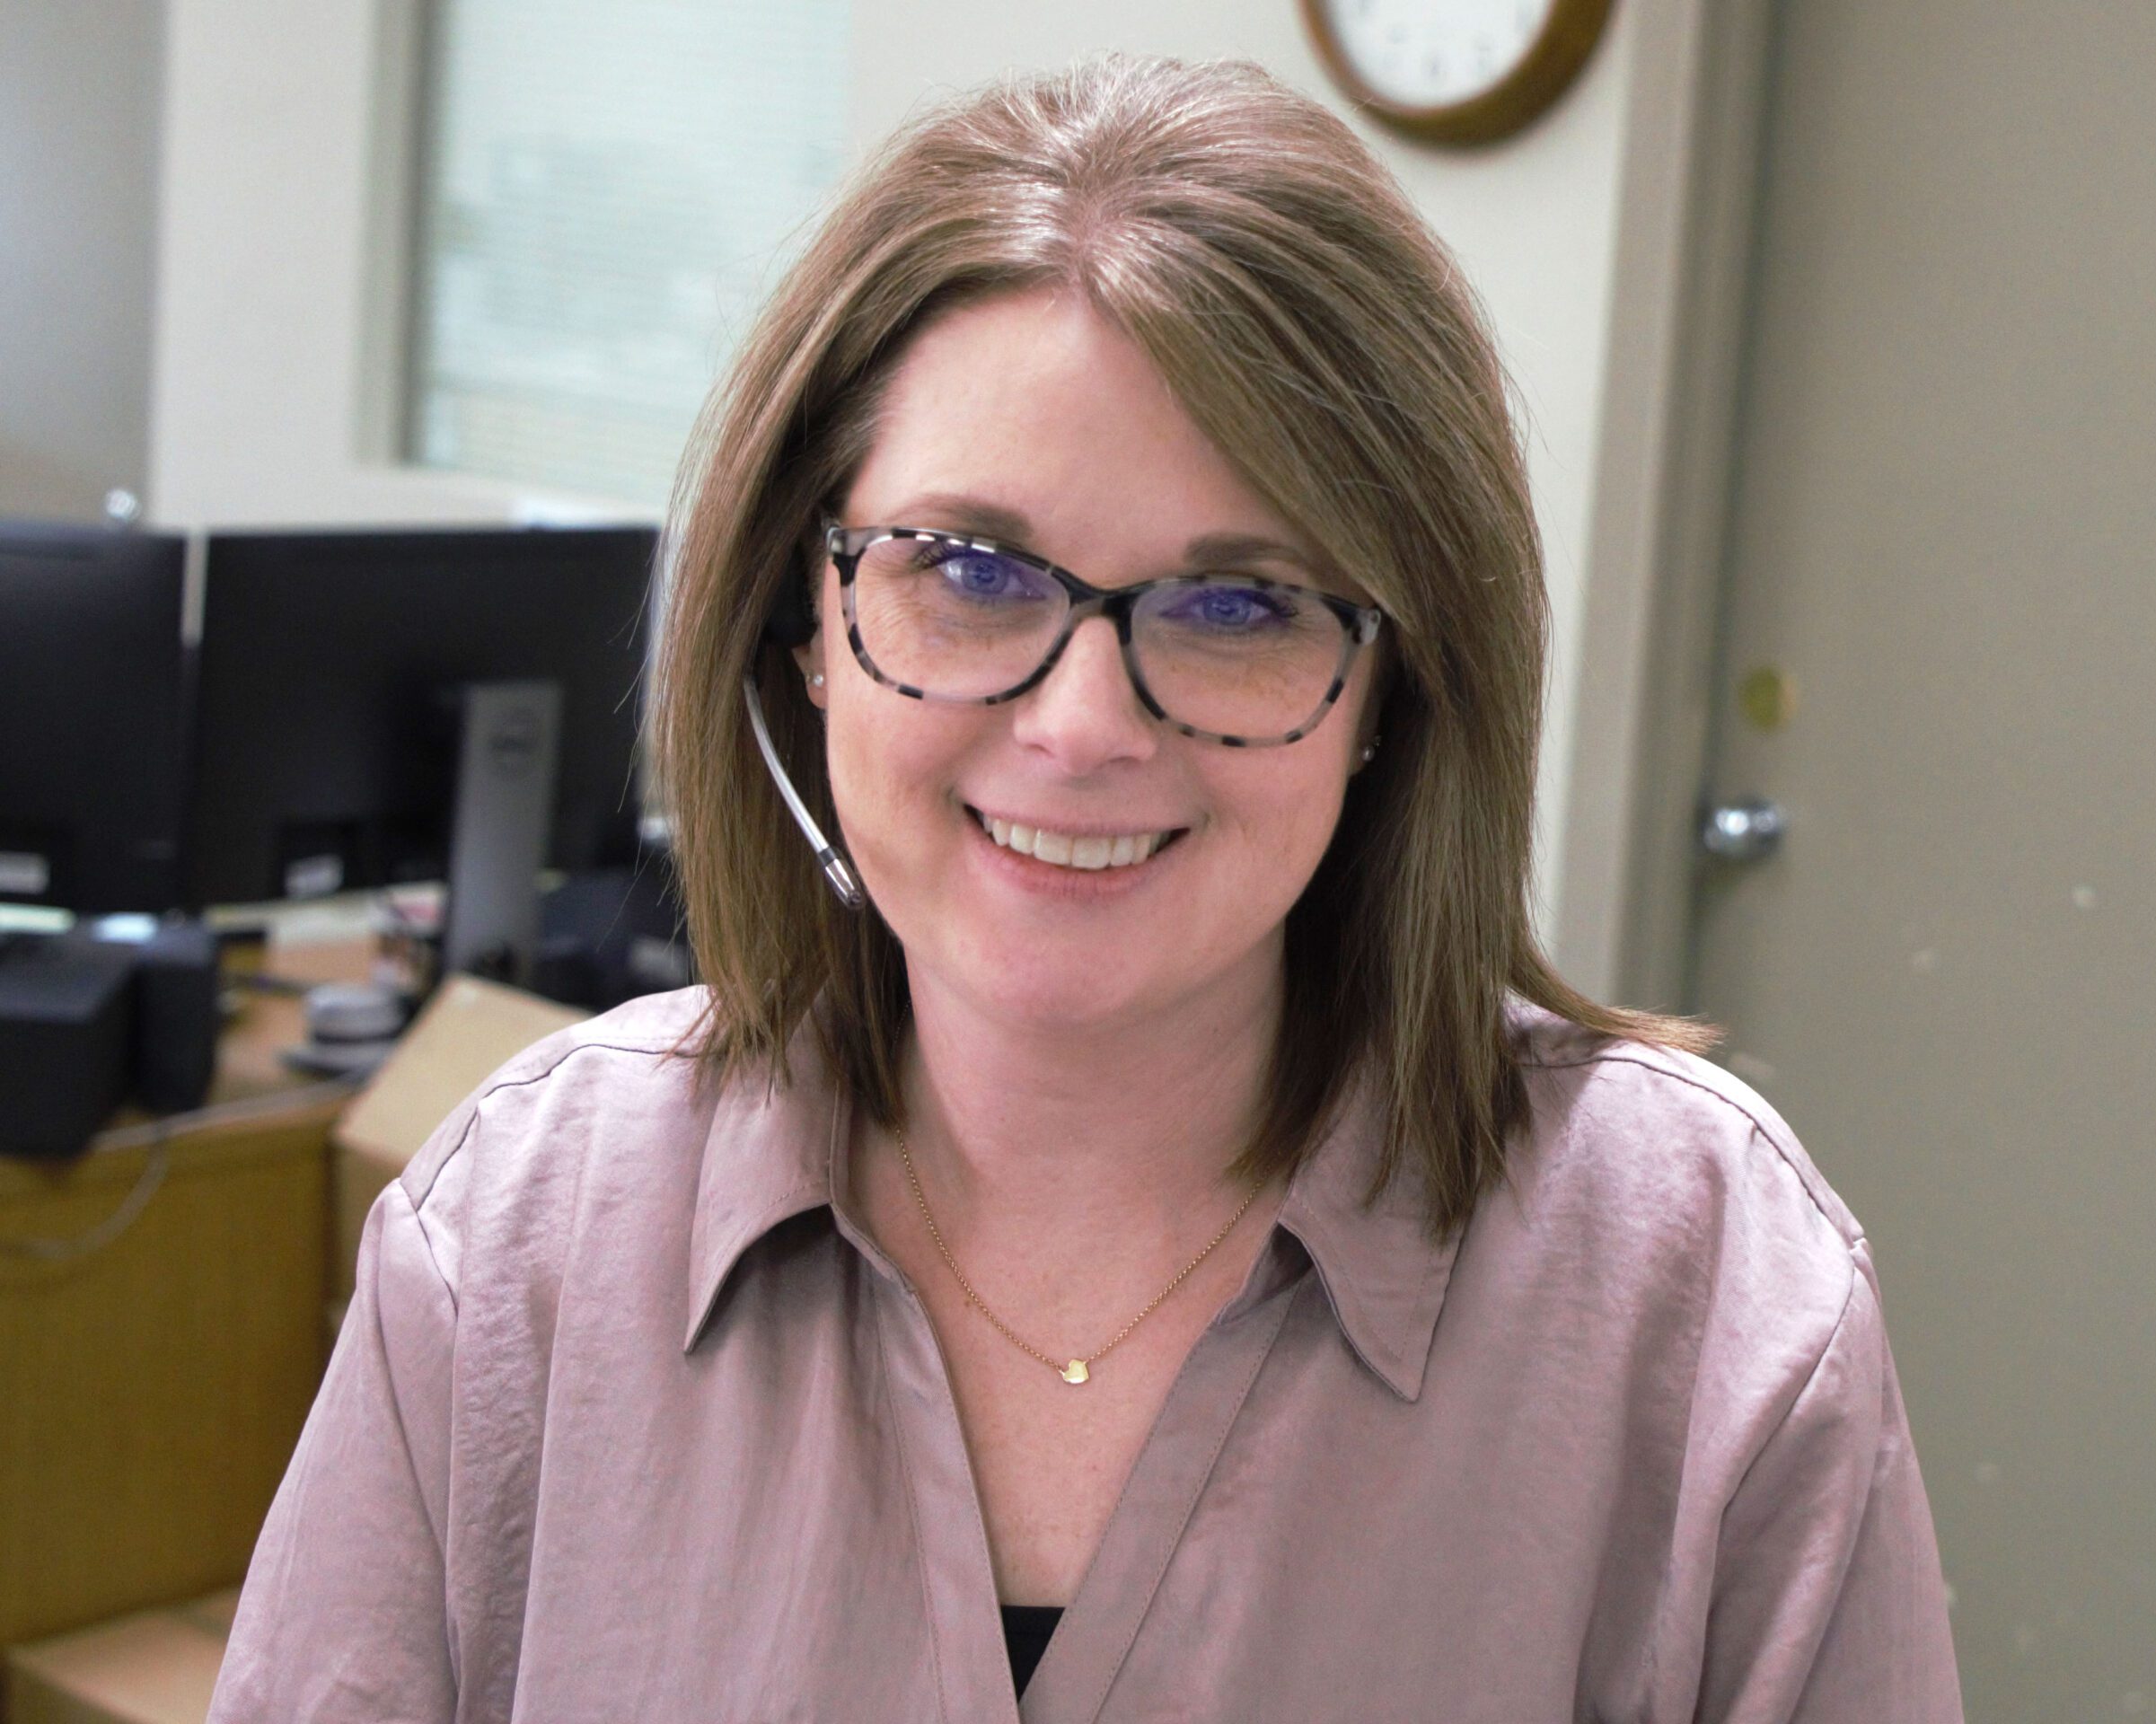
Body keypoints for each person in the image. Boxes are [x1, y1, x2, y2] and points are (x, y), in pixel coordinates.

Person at [209, 54, 1963, 1722]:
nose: (1077, 726)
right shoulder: (521, 1238)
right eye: (965, 569)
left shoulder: (1699, 1282)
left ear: (1385, 699)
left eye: (1238, 605)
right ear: (800, 626)